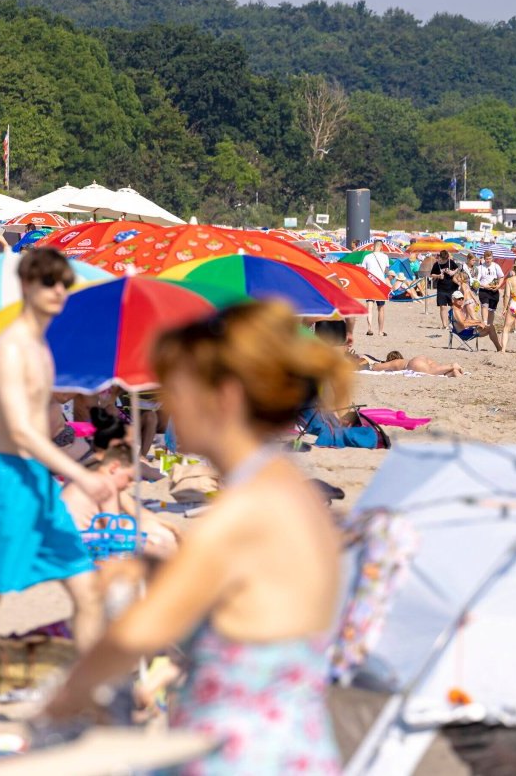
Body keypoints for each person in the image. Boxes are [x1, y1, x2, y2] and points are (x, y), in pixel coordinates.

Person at [45, 301, 348, 771]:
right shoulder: (283, 484)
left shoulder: (246, 508)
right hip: (287, 742)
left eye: (176, 388)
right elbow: (249, 600)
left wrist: (62, 700)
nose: (168, 403)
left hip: (239, 753)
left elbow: (138, 631)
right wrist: (155, 568)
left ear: (222, 396)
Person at [0, 249, 117, 650]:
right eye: (48, 282)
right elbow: (21, 431)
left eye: (64, 282)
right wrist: (82, 475)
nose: (59, 290)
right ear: (26, 286)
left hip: (37, 481)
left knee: (87, 590)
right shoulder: (9, 347)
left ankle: (86, 699)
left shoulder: (42, 347)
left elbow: (53, 422)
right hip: (5, 478)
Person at [61, 442, 181, 559]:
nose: (131, 484)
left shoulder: (88, 477)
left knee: (145, 528)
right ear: (114, 467)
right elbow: (113, 528)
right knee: (158, 538)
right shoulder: (106, 485)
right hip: (79, 545)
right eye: (129, 478)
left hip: (63, 539)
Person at [360, 240, 390, 336]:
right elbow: (386, 271)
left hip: (370, 283)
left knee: (369, 306)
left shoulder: (367, 257)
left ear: (373, 246)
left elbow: (363, 271)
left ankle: (369, 329)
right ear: (381, 247)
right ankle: (380, 331)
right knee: (381, 308)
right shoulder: (385, 257)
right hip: (380, 284)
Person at [430, 249, 462, 328]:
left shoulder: (451, 262)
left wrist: (452, 272)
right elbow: (431, 275)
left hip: (452, 287)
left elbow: (458, 268)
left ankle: (452, 322)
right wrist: (438, 276)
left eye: (446, 259)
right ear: (440, 257)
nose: (445, 260)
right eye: (443, 259)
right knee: (443, 307)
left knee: (453, 306)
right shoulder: (436, 264)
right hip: (441, 288)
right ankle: (444, 325)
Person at [475, 250, 505, 326]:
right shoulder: (480, 268)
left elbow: (501, 277)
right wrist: (484, 286)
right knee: (484, 305)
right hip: (483, 290)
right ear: (484, 258)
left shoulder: (496, 266)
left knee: (491, 309)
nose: (488, 260)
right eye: (487, 259)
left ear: (492, 258)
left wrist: (498, 286)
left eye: (490, 258)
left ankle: (490, 324)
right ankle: (484, 322)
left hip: (494, 290)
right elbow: (476, 282)